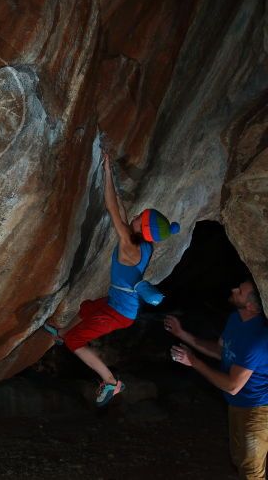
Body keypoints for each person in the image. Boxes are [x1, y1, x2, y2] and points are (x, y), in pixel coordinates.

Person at [43, 152, 180, 406]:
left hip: (120, 312)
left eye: (141, 218)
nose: (137, 216)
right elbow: (121, 207)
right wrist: (112, 176)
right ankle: (61, 332)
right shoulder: (145, 244)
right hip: (118, 302)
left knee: (77, 341)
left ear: (143, 228)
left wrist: (106, 173)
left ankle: (110, 381)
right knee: (87, 307)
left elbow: (112, 209)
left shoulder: (129, 244)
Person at [166, 280, 268, 480]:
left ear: (252, 306)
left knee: (251, 471)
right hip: (239, 405)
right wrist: (182, 334)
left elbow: (232, 386)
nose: (233, 289)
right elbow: (222, 351)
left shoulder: (256, 339)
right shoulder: (235, 319)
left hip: (260, 409)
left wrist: (193, 361)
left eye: (239, 291)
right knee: (241, 460)